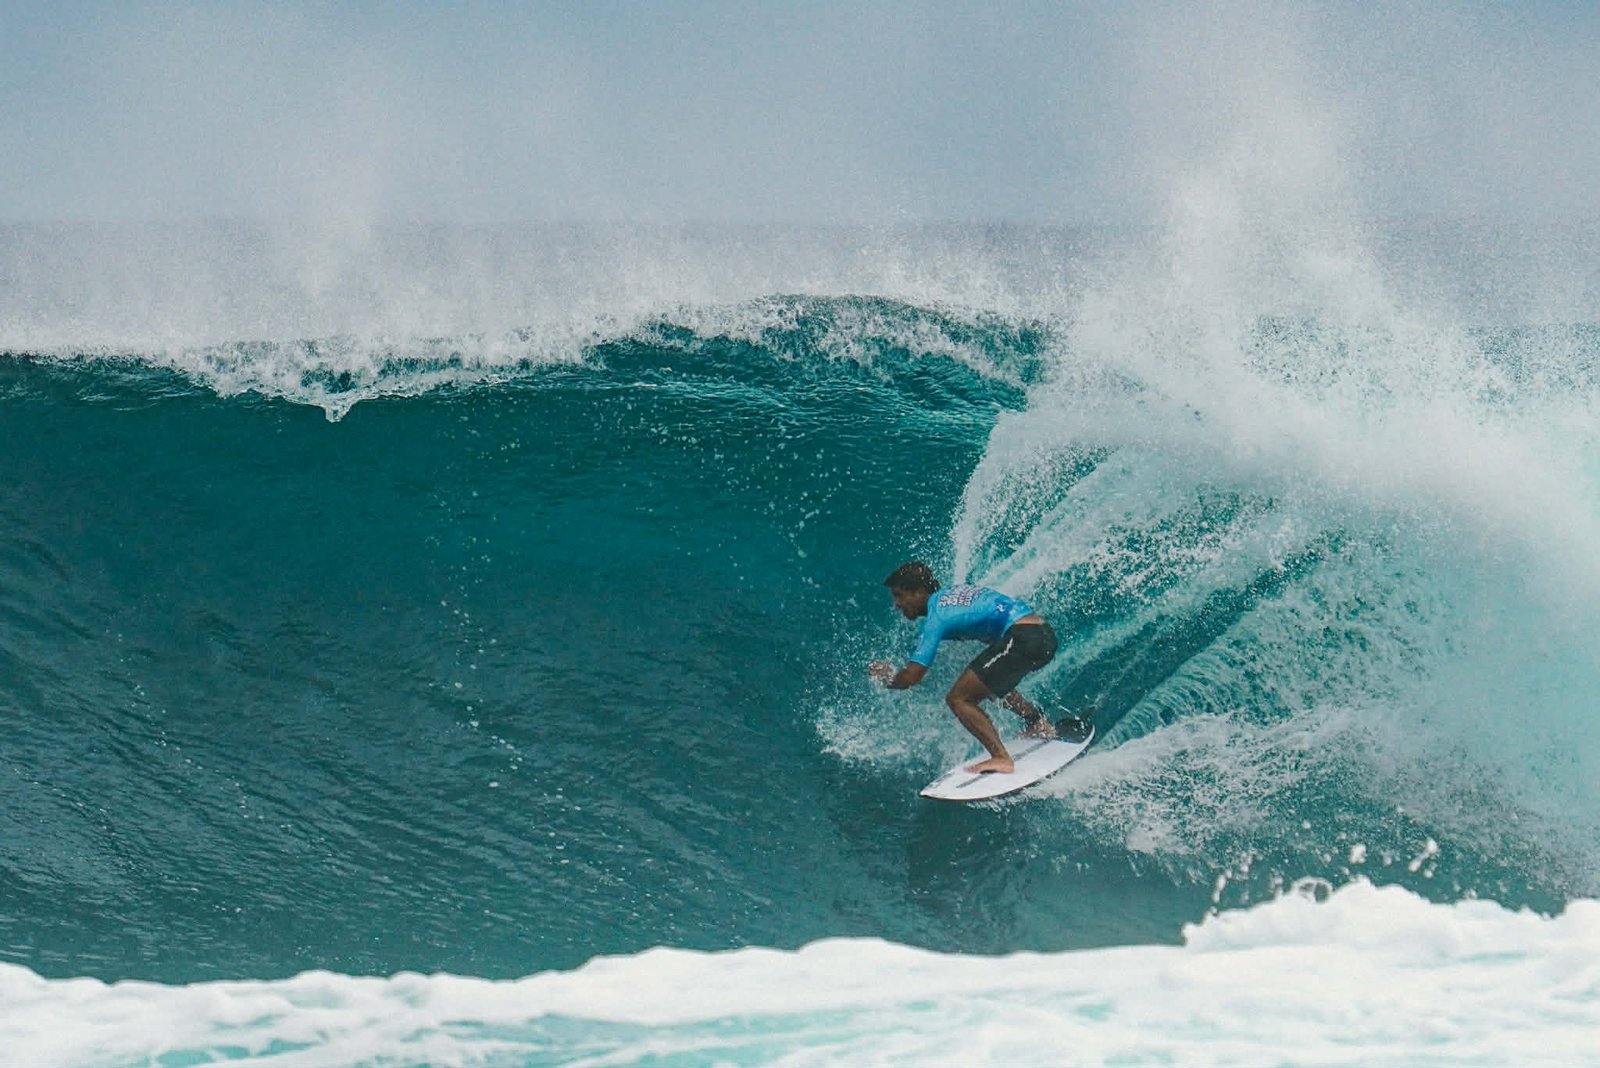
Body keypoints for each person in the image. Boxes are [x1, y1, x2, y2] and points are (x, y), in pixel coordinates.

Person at [868, 561, 1064, 774]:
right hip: (1043, 635)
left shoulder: (937, 617)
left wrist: (889, 678)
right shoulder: (952, 594)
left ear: (919, 592)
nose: (896, 603)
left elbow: (912, 677)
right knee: (986, 681)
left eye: (900, 595)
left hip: (1023, 638)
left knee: (959, 699)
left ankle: (1001, 758)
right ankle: (1036, 723)